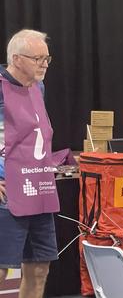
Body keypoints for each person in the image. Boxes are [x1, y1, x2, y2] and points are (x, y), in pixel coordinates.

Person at [0, 29, 58, 298]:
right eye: (38, 59)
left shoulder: (39, 87)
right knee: (2, 269)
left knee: (38, 268)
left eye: (47, 59)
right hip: (7, 191)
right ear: (16, 58)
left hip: (38, 188)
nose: (44, 64)